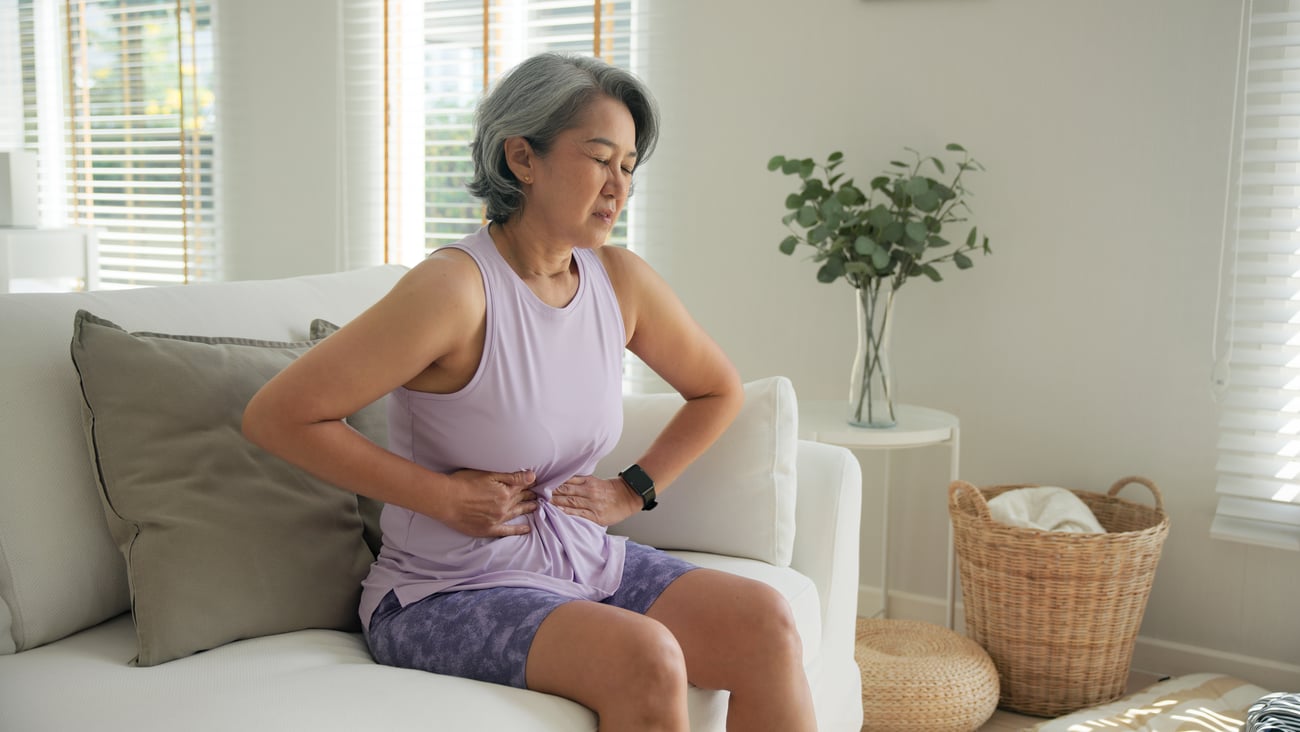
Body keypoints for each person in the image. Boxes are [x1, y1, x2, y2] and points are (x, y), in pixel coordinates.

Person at [242, 52, 815, 732]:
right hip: (443, 591)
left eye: (628, 166)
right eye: (600, 158)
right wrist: (442, 496)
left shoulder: (619, 282)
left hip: (580, 559)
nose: (618, 187)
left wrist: (632, 488)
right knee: (646, 656)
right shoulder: (455, 290)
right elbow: (278, 416)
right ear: (522, 158)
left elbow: (717, 390)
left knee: (766, 623)